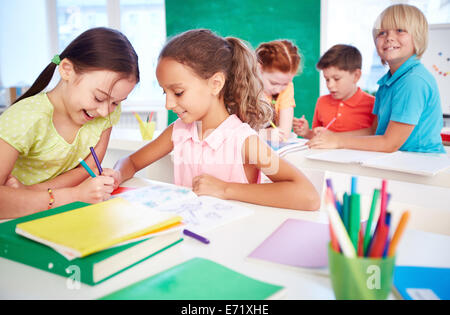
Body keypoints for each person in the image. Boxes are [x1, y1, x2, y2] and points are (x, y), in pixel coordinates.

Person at [106, 29, 320, 211]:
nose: (169, 105)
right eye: (165, 93)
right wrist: (116, 174)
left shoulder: (243, 141)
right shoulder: (178, 132)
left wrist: (225, 189)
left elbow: (308, 196)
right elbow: (132, 162)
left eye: (178, 92)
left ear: (216, 83)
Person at [0, 27, 140, 218]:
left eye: (116, 102)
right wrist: (74, 195)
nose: (105, 111)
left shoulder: (103, 114)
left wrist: (31, 190)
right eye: (99, 98)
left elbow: (86, 169)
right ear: (66, 70)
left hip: (59, 214)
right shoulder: (25, 118)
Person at [307, 4, 445, 154]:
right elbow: (374, 131)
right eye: (382, 33)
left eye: (400, 30)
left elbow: (389, 144)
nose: (389, 38)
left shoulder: (413, 81)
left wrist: (338, 141)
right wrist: (333, 137)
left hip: (420, 165)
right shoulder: (388, 82)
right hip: (400, 162)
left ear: (418, 36)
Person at [293, 44, 375, 139]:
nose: (330, 85)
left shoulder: (373, 104)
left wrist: (334, 137)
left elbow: (375, 135)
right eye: (327, 79)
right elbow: (319, 137)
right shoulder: (322, 102)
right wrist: (307, 133)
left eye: (336, 79)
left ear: (356, 76)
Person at [256, 40, 301, 141]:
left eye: (285, 83)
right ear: (259, 69)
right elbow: (233, 133)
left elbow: (284, 133)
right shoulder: (245, 87)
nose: (279, 89)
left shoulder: (287, 88)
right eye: (274, 83)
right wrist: (262, 134)